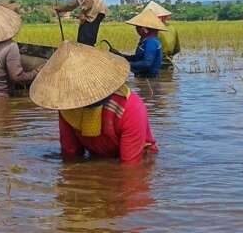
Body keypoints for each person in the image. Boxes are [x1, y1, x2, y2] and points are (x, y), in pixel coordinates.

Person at [29, 41, 157, 164]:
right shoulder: (68, 105)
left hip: (140, 156)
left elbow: (130, 166)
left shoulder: (129, 107)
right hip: (98, 156)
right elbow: (70, 153)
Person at [110, 8, 167, 78]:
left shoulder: (151, 43)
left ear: (144, 29)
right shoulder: (147, 41)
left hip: (148, 81)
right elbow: (137, 58)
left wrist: (126, 64)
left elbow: (147, 63)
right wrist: (119, 55)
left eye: (137, 27)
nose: (136, 29)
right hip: (143, 78)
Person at [144, 0, 180, 68]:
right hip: (169, 64)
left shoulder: (153, 30)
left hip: (154, 66)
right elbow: (177, 49)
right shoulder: (172, 28)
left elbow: (146, 53)